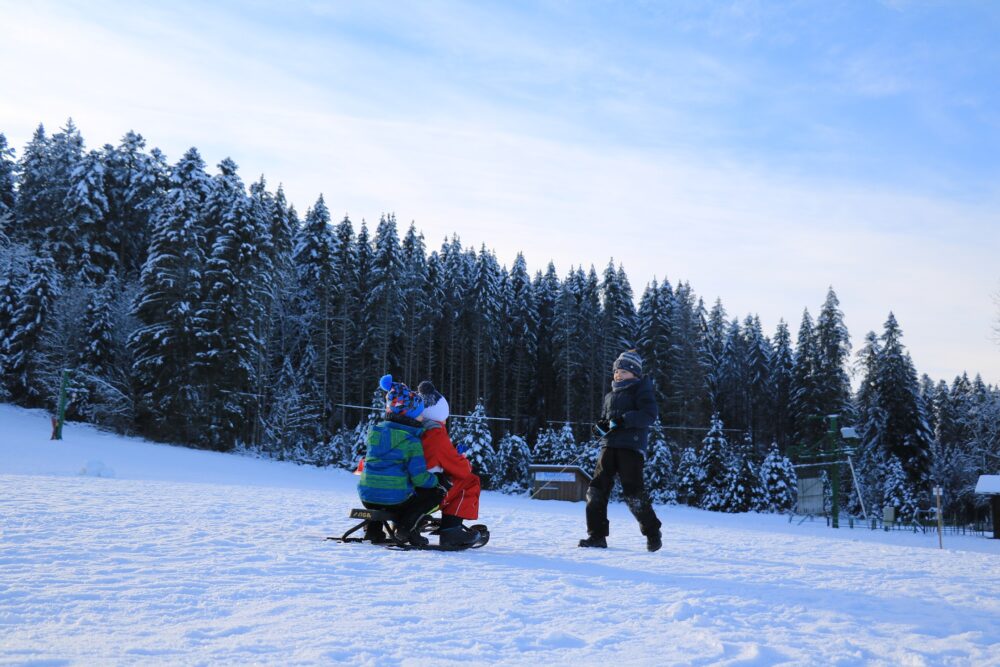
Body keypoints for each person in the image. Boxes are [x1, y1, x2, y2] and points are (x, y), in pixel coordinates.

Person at [579, 349, 663, 552]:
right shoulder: (610, 395)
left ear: (635, 374)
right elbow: (606, 419)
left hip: (630, 448)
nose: (619, 375)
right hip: (608, 447)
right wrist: (600, 428)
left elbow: (649, 414)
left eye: (624, 372)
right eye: (617, 371)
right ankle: (597, 536)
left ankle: (652, 532)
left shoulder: (641, 390)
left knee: (633, 493)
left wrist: (623, 420)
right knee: (595, 491)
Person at [357, 374, 445, 546]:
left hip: (366, 496)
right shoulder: (411, 441)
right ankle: (407, 528)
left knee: (382, 485)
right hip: (395, 499)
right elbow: (419, 477)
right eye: (420, 414)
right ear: (411, 415)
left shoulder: (374, 433)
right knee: (434, 493)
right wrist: (435, 481)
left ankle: (373, 531)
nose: (422, 417)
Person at [417, 380, 483, 547]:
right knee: (470, 481)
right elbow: (461, 469)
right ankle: (451, 530)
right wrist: (463, 460)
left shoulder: (406, 428)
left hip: (402, 489)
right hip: (424, 494)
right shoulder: (435, 434)